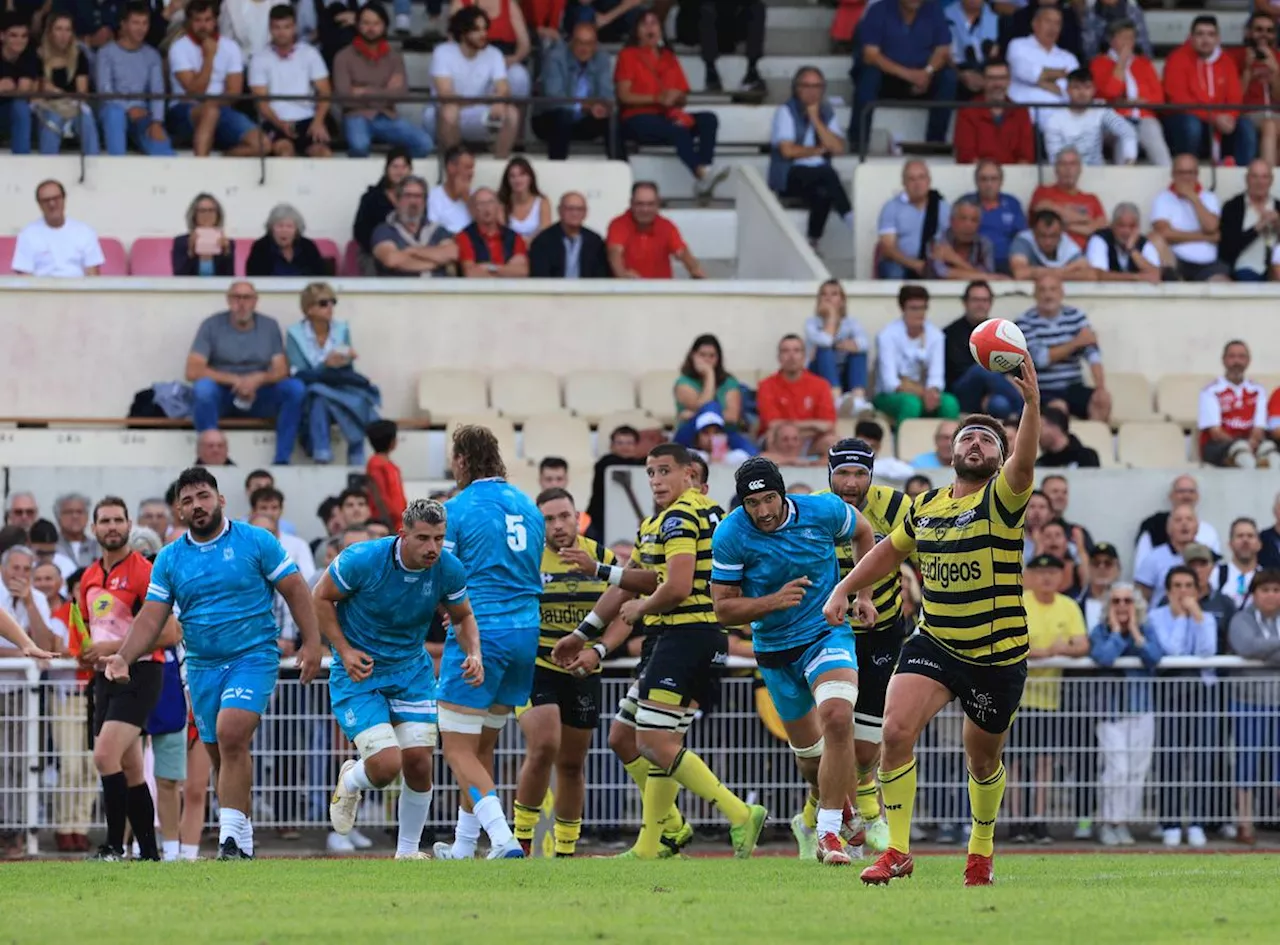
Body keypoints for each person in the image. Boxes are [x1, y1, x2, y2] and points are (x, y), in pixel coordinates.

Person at [824, 359, 1043, 887]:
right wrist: (844, 588)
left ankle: (981, 848)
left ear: (999, 457)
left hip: (996, 654)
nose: (975, 445)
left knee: (983, 759)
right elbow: (885, 553)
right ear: (951, 452)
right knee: (896, 732)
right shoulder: (925, 507)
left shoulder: (1003, 498)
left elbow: (1025, 460)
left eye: (988, 442)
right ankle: (897, 849)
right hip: (936, 640)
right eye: (967, 438)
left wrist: (1031, 405)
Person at [552, 443, 766, 859]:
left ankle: (737, 812)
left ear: (690, 476)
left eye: (663, 471)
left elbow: (676, 586)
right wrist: (585, 634)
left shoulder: (684, 515)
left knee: (652, 738)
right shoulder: (663, 520)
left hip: (687, 635)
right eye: (649, 473)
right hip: (681, 638)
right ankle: (659, 839)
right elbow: (634, 579)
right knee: (625, 736)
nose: (655, 481)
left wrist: (642, 607)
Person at [103, 467, 323, 860]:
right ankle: (243, 837)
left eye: (203, 496)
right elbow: (152, 616)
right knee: (223, 753)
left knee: (232, 731)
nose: (197, 505)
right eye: (187, 500)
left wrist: (312, 642)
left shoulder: (255, 540)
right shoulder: (170, 558)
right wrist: (123, 656)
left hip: (253, 655)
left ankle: (230, 840)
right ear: (179, 510)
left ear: (220, 499)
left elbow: (294, 588)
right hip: (202, 666)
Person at [711, 459, 876, 865]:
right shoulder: (731, 533)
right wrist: (771, 601)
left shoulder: (823, 510)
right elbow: (723, 610)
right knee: (811, 760)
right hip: (775, 649)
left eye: (770, 498)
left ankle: (828, 833)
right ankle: (845, 813)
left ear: (783, 493)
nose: (764, 511)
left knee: (838, 717)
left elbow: (864, 532)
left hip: (825, 632)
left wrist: (861, 594)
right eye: (753, 502)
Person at [318, 499, 476, 859]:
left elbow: (463, 616)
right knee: (388, 765)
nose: (432, 547)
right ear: (402, 534)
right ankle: (352, 779)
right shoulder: (363, 559)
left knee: (420, 762)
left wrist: (474, 654)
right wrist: (342, 650)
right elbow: (320, 597)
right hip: (361, 672)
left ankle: (406, 853)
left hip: (411, 671)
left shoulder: (448, 568)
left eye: (439, 538)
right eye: (423, 538)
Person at [433, 425, 545, 861]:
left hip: (482, 632)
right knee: (481, 745)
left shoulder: (457, 509)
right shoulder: (528, 506)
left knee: (457, 746)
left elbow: (446, 572)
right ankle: (463, 847)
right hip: (525, 633)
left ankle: (503, 839)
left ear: (461, 460)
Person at [813, 437, 914, 857]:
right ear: (829, 474)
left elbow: (923, 557)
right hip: (831, 631)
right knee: (834, 730)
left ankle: (855, 812)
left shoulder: (898, 507)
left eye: (859, 474)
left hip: (883, 628)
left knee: (866, 745)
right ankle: (847, 821)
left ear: (871, 475)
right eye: (843, 473)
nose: (850, 482)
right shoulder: (816, 508)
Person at [511, 487, 616, 857]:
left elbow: (625, 611)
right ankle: (521, 842)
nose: (558, 525)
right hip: (535, 666)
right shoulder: (526, 560)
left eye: (564, 516)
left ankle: (566, 852)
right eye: (548, 519)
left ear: (578, 516)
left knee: (572, 765)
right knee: (544, 744)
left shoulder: (601, 558)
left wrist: (598, 650)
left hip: (584, 670)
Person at [78, 497, 178, 861]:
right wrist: (89, 651)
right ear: (94, 528)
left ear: (129, 524)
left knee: (105, 756)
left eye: (118, 520)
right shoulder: (88, 576)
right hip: (105, 676)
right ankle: (149, 854)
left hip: (141, 672)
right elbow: (93, 631)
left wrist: (113, 647)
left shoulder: (144, 571)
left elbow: (170, 633)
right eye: (104, 521)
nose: (112, 527)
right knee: (132, 767)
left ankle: (113, 846)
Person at [187, 282, 305, 466]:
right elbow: (193, 370)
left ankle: (282, 460)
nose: (241, 303)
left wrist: (258, 379)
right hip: (224, 394)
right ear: (228, 300)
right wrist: (236, 380)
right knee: (203, 389)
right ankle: (210, 459)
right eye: (236, 297)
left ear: (256, 301)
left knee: (295, 389)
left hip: (261, 395)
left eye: (247, 298)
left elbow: (281, 369)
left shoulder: (269, 326)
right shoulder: (211, 325)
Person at [1016, 552, 1089, 843]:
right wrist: (1048, 652)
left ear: (1061, 576)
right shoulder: (1020, 601)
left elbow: (1082, 644)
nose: (1046, 577)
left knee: (1044, 761)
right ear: (1030, 575)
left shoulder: (1068, 606)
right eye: (1040, 572)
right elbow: (1011, 640)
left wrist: (1062, 650)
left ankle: (1039, 819)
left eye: (1053, 572)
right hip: (1017, 697)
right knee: (1017, 762)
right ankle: (1018, 821)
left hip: (1050, 699)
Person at [615, 10, 726, 198]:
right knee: (677, 129)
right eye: (645, 24)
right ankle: (702, 174)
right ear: (637, 31)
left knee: (709, 119)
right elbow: (624, 96)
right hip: (638, 118)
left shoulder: (668, 56)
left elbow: (683, 96)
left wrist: (676, 98)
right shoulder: (628, 55)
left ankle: (705, 170)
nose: (650, 28)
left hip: (666, 116)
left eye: (654, 23)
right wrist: (657, 98)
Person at [1147, 565, 1217, 848]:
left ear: (1198, 590)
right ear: (1168, 590)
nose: (1183, 592)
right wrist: (1179, 618)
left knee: (1202, 758)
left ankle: (1198, 822)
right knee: (1169, 758)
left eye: (1189, 585)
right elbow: (1170, 649)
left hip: (1200, 693)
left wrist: (1196, 616)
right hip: (1169, 691)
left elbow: (1207, 651)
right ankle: (1171, 822)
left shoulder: (1207, 617)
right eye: (1177, 586)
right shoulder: (1155, 616)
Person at [1088, 582, 1161, 847]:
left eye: (1127, 601)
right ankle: (1109, 822)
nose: (1122, 606)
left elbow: (1155, 656)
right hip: (1111, 712)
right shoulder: (1100, 631)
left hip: (1141, 708)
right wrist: (1118, 633)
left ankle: (1124, 822)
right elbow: (1104, 656)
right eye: (1116, 601)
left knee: (1137, 769)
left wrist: (1135, 633)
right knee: (1116, 768)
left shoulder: (1146, 628)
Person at [284, 281, 372, 464]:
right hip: (312, 387)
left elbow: (347, 368)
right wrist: (326, 365)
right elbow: (298, 372)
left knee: (355, 396)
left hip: (337, 383)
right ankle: (353, 452)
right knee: (318, 396)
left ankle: (323, 451)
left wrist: (346, 359)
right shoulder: (295, 333)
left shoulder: (342, 329)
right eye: (323, 303)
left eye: (333, 302)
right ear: (309, 309)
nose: (330, 307)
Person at [166, 0, 268, 157]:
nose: (203, 26)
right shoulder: (179, 47)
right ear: (189, 22)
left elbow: (234, 93)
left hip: (222, 109)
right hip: (183, 112)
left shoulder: (230, 47)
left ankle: (223, 160)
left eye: (208, 20)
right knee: (210, 112)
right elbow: (195, 92)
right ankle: (202, 170)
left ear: (215, 21)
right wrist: (209, 57)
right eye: (197, 20)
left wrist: (212, 101)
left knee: (263, 145)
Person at [851, 0, 957, 149]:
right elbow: (870, 54)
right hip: (889, 79)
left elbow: (943, 49)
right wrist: (909, 75)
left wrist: (927, 73)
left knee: (948, 78)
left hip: (923, 79)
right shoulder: (878, 10)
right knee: (869, 75)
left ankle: (935, 144)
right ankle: (858, 144)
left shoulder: (933, 9)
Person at [333, 3, 434, 159]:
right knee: (359, 147)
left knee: (425, 143)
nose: (371, 28)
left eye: (376, 23)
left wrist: (364, 91)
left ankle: (396, 171)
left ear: (385, 26)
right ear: (358, 25)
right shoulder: (343, 57)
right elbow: (344, 97)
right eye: (366, 23)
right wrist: (385, 92)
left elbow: (401, 93)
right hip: (356, 116)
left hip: (387, 116)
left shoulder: (394, 57)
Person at [768, 65, 850, 250]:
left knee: (825, 192)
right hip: (790, 174)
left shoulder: (826, 112)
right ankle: (849, 216)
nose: (812, 91)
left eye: (817, 86)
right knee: (827, 173)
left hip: (819, 176)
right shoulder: (786, 111)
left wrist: (815, 119)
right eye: (806, 86)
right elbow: (787, 151)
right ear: (797, 88)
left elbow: (837, 147)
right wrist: (818, 150)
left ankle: (813, 239)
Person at [1226, 570, 1280, 845]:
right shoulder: (1241, 618)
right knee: (1246, 761)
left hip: (1278, 703)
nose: (1271, 595)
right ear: (1254, 594)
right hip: (1247, 701)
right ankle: (1244, 822)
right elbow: (1245, 645)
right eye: (1265, 590)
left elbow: (1256, 649)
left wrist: (1264, 650)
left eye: (1276, 590)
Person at [427, 7, 521, 159]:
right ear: (463, 33)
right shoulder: (443, 52)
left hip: (477, 113)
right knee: (450, 110)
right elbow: (446, 95)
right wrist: (488, 100)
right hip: (440, 117)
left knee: (511, 113)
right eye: (477, 30)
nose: (483, 34)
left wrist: (499, 101)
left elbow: (504, 89)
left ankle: (499, 166)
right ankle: (454, 164)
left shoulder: (493, 53)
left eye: (485, 29)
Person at [1016, 274, 1111, 422]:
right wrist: (1076, 342)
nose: (1048, 295)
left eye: (1053, 289)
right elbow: (1041, 359)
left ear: (1061, 293)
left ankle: (1095, 442)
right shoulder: (1024, 322)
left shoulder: (1076, 316)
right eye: (1042, 290)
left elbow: (1093, 354)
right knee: (1059, 409)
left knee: (1103, 401)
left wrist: (1100, 388)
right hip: (1043, 389)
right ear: (1035, 294)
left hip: (1073, 386)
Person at [1163, 16, 1255, 166]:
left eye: (1211, 34)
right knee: (1191, 124)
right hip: (1185, 120)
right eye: (1200, 34)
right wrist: (1213, 117)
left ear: (1218, 38)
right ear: (1191, 37)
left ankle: (1243, 176)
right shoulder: (1177, 58)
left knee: (1245, 126)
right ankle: (1187, 170)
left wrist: (1229, 117)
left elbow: (1235, 97)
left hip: (1216, 122)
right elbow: (1178, 99)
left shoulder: (1226, 61)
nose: (1205, 39)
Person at [248, 4, 333, 158]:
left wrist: (319, 122)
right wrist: (280, 124)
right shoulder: (259, 59)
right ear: (270, 29)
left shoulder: (310, 53)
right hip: (274, 120)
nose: (281, 33)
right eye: (277, 27)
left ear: (294, 27)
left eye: (286, 27)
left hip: (307, 119)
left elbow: (325, 91)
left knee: (323, 154)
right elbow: (261, 103)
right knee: (285, 153)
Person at [873, 284, 960, 426]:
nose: (919, 313)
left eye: (923, 308)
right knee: (911, 404)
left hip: (926, 394)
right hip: (890, 396)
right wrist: (923, 393)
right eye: (914, 308)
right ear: (903, 309)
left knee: (950, 403)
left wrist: (931, 392)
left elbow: (936, 378)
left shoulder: (935, 336)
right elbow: (890, 383)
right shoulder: (887, 336)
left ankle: (952, 446)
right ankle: (904, 446)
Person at [95, 2, 174, 157]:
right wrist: (128, 108)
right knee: (114, 114)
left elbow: (157, 91)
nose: (141, 28)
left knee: (162, 146)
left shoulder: (152, 55)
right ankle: (117, 167)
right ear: (123, 25)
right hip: (113, 111)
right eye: (135, 23)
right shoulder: (106, 53)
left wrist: (157, 121)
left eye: (144, 23)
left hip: (142, 114)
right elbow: (105, 91)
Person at [1089, 18, 1170, 166]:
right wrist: (1121, 63)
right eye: (1123, 37)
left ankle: (1169, 178)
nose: (1128, 42)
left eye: (1131, 38)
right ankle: (1123, 180)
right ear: (1111, 40)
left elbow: (1158, 98)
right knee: (1124, 133)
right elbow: (1110, 93)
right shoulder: (1099, 63)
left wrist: (1137, 102)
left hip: (1143, 116)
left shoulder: (1143, 63)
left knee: (1154, 135)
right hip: (1113, 119)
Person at [532, 21, 618, 160]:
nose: (584, 48)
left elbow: (607, 93)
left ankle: (619, 168)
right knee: (562, 116)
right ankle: (558, 167)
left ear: (595, 45)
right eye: (580, 42)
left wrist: (602, 107)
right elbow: (554, 97)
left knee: (612, 120)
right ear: (572, 42)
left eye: (589, 43)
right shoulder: (556, 57)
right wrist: (586, 106)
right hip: (549, 119)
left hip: (583, 120)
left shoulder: (601, 57)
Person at [944, 280, 1023, 420]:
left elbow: (1014, 368)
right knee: (981, 369)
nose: (980, 304)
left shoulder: (1001, 332)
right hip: (962, 394)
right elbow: (959, 371)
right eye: (975, 300)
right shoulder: (951, 333)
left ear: (990, 303)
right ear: (965, 302)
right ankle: (1027, 407)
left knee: (1000, 405)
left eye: (985, 300)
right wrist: (999, 380)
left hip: (994, 392)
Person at [755, 334, 838, 456]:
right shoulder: (766, 385)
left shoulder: (821, 385)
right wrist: (813, 425)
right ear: (779, 357)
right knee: (777, 436)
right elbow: (772, 424)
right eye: (785, 351)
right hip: (778, 439)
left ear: (804, 356)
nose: (791, 356)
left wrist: (789, 426)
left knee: (832, 441)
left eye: (796, 351)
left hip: (810, 441)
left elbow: (827, 425)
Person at [1152, 154, 1230, 283]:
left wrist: (1193, 198)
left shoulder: (1209, 197)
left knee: (1224, 286)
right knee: (1153, 238)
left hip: (1208, 263)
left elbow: (1211, 227)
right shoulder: (1162, 198)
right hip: (1176, 261)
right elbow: (1163, 234)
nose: (1186, 177)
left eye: (1190, 173)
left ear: (1197, 174)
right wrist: (1206, 237)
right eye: (1181, 173)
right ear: (1173, 174)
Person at [1198, 339, 1276, 469]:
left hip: (1250, 444)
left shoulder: (1258, 390)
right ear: (1224, 360)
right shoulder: (1210, 391)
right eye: (1232, 356)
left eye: (1241, 357)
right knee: (1242, 453)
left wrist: (1252, 444)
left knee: (1271, 451)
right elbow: (1216, 433)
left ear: (1248, 361)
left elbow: (1259, 428)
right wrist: (1243, 445)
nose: (1237, 361)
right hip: (1218, 446)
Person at [672, 334, 752, 453]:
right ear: (693, 356)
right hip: (691, 435)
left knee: (753, 455)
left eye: (712, 356)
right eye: (702, 355)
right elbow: (705, 407)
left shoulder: (729, 382)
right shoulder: (683, 383)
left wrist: (694, 414)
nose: (707, 360)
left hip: (725, 432)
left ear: (718, 358)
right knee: (711, 406)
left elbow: (732, 417)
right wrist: (709, 375)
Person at [607, 181, 705, 279]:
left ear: (658, 203)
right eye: (640, 204)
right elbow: (614, 252)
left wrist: (693, 268)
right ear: (631, 203)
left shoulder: (666, 226)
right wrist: (621, 274)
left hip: (661, 291)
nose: (645, 209)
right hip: (629, 290)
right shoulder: (619, 225)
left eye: (650, 204)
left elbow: (681, 252)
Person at [1041, 68, 1137, 165]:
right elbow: (1054, 158)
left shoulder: (1100, 109)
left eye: (1087, 87)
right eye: (1076, 88)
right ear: (1067, 90)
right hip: (1067, 173)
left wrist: (1129, 162)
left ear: (1093, 90)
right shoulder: (1055, 118)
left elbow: (1127, 131)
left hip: (1097, 173)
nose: (1082, 93)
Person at [371, 175, 460, 278]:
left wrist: (413, 251)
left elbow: (453, 253)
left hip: (438, 292)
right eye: (408, 196)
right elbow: (392, 260)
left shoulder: (437, 230)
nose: (413, 202)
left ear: (424, 201)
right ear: (397, 201)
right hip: (401, 292)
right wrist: (436, 262)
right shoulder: (384, 230)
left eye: (418, 196)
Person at [875, 159, 950, 280]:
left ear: (929, 181)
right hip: (900, 263)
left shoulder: (942, 207)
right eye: (912, 179)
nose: (917, 183)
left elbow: (950, 240)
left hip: (934, 262)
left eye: (921, 177)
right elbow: (887, 248)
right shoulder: (892, 207)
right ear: (904, 183)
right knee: (894, 272)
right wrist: (915, 264)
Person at [12, 179, 103, 277]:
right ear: (39, 204)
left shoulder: (85, 232)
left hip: (77, 290)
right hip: (41, 290)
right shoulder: (27, 234)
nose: (52, 204)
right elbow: (24, 279)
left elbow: (93, 277)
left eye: (56, 198)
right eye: (46, 200)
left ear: (64, 199)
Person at [953, 59, 1036, 165]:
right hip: (979, 178)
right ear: (983, 80)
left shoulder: (1021, 112)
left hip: (1015, 177)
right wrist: (990, 177)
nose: (997, 84)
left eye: (1002, 78)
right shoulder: (967, 111)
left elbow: (1026, 156)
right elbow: (966, 156)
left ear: (1009, 81)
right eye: (992, 78)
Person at [805, 279, 870, 412]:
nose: (828, 298)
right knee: (824, 350)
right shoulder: (811, 323)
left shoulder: (851, 322)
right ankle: (835, 399)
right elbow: (825, 341)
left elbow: (865, 344)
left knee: (858, 353)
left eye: (834, 294)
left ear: (842, 301)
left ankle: (858, 399)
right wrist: (831, 317)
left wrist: (852, 345)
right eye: (824, 294)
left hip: (843, 375)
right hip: (817, 377)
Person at [1006, 5, 1079, 121]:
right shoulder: (1018, 45)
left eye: (1057, 23)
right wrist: (1060, 74)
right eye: (1048, 21)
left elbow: (1076, 91)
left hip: (1060, 124)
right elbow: (1023, 72)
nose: (1053, 28)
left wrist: (1041, 81)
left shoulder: (1068, 58)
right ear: (1034, 23)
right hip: (1024, 121)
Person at [1134, 476, 1221, 571]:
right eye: (1181, 491)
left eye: (1191, 491)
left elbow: (1215, 568)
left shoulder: (1209, 531)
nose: (1186, 496)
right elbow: (1141, 567)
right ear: (1171, 496)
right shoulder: (1154, 527)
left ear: (1197, 496)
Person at [1227, 13, 1280, 168]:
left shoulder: (1277, 57)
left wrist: (1276, 71)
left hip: (1275, 113)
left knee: (1272, 124)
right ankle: (1269, 178)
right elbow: (1234, 100)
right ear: (1248, 32)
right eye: (1259, 29)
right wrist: (1248, 71)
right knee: (1270, 125)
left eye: (1269, 30)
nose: (1264, 34)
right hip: (1248, 114)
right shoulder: (1233, 56)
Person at [1029, 147, 1105, 249]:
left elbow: (1100, 229)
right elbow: (1044, 214)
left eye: (1073, 164)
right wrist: (1086, 219)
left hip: (1086, 253)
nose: (1068, 169)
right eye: (1063, 164)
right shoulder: (1043, 192)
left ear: (1080, 169)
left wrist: (1063, 224)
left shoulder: (1092, 199)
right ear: (1056, 169)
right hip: (1054, 251)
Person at [1218, 160, 1280, 281]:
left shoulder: (1278, 206)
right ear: (1247, 179)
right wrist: (1258, 227)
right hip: (1245, 268)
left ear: (1271, 180)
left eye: (1264, 177)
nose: (1260, 182)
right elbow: (1227, 248)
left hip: (1276, 269)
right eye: (1254, 177)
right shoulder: (1233, 207)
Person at [353, 149, 413, 268]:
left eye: (403, 167)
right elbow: (360, 231)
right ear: (387, 169)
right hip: (375, 254)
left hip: (410, 253)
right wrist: (382, 249)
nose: (399, 172)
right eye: (395, 167)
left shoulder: (417, 198)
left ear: (410, 170)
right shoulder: (371, 198)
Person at [528, 192, 610, 279]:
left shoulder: (595, 241)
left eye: (580, 209)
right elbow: (540, 277)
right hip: (553, 291)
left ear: (585, 213)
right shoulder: (543, 241)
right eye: (570, 209)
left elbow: (600, 276)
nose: (575, 213)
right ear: (559, 210)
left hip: (587, 291)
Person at [1135, 504, 1201, 607]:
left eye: (1189, 519)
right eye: (1178, 520)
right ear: (1168, 528)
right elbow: (1141, 598)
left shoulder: (1207, 557)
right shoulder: (1153, 558)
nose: (1184, 524)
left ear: (1197, 527)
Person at [456, 187, 530, 278]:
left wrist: (491, 268)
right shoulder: (465, 236)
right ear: (474, 209)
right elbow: (471, 273)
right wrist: (508, 270)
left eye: (490, 202)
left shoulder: (515, 237)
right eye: (481, 204)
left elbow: (523, 272)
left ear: (498, 206)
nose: (486, 208)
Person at [1008, 207, 1094, 280]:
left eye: (1053, 236)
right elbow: (1020, 273)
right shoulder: (1024, 241)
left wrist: (1036, 272)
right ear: (1033, 232)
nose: (1048, 242)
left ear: (1061, 233)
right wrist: (1066, 271)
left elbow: (1088, 274)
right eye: (1042, 236)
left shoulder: (1068, 245)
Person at [1086, 202, 1163, 283]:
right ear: (1112, 225)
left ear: (1138, 227)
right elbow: (1098, 274)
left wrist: (1132, 250)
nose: (1126, 231)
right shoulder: (1100, 239)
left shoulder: (1144, 243)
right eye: (1121, 226)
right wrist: (1136, 277)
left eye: (1132, 226)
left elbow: (1156, 275)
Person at [246, 204, 328, 278]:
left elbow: (321, 276)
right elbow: (254, 278)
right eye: (279, 226)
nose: (284, 230)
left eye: (289, 226)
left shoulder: (308, 246)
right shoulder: (260, 247)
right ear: (271, 228)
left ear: (297, 230)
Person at [926, 197, 998, 280]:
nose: (968, 225)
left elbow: (989, 276)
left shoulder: (984, 243)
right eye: (963, 219)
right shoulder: (938, 241)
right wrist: (980, 275)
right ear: (951, 221)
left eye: (974, 220)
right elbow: (940, 273)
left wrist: (955, 260)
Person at [173, 193, 235, 277]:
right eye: (202, 211)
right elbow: (179, 275)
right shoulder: (181, 242)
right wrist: (191, 251)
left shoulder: (228, 243)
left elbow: (229, 277)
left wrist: (226, 252)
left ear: (218, 215)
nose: (207, 215)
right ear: (194, 215)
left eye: (211, 210)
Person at [0, 16, 36, 155]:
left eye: (23, 36)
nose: (19, 41)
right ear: (2, 36)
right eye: (13, 35)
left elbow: (23, 90)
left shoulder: (29, 58)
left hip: (13, 112)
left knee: (20, 106)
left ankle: (21, 158)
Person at [365, 419, 406, 526]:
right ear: (392, 441)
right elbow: (379, 496)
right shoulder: (376, 464)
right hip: (388, 522)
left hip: (399, 519)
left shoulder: (390, 465)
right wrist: (387, 522)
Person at [498, 157, 550, 243]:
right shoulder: (501, 203)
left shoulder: (542, 201)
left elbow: (545, 233)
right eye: (512, 176)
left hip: (536, 250)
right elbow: (501, 235)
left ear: (530, 178)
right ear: (507, 180)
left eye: (522, 175)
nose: (517, 180)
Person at [1213, 517, 1261, 608]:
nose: (1245, 540)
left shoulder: (1267, 578)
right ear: (1230, 544)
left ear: (1259, 544)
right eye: (1240, 536)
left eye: (1250, 536)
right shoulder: (1216, 574)